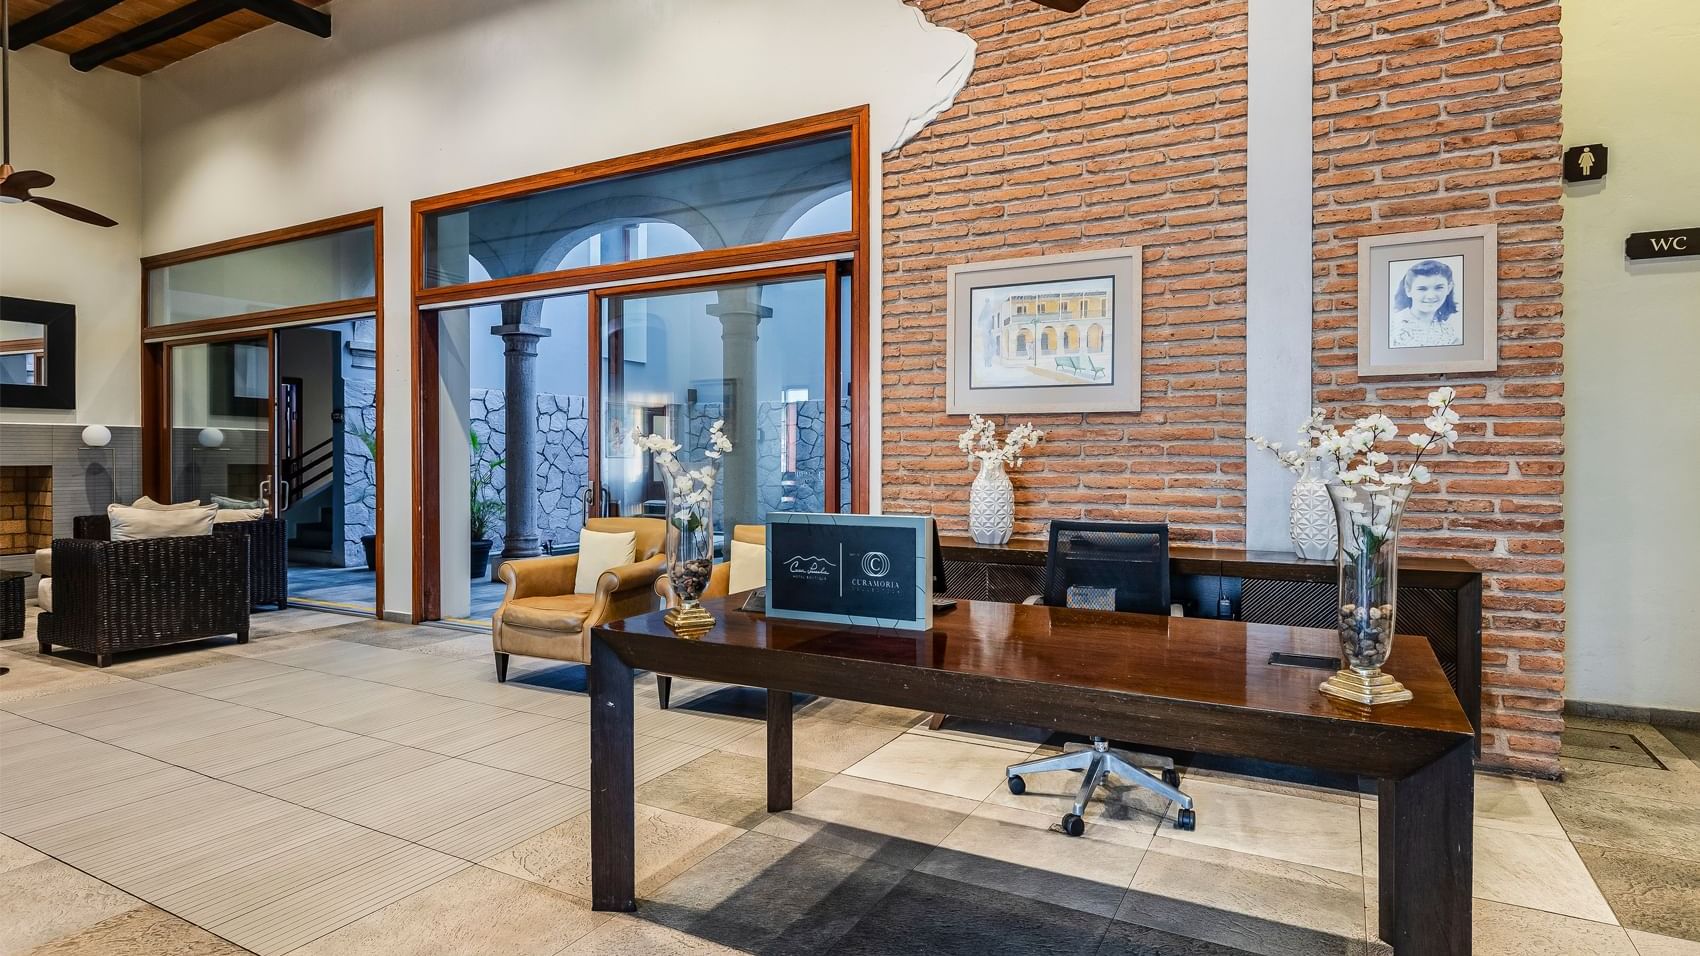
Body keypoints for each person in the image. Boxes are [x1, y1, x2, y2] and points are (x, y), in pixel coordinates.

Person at [1388, 259, 1463, 348]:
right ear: (1408, 290)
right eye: (1422, 289)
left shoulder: (1450, 332)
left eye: (1439, 288)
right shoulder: (1392, 326)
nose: (1430, 296)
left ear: (1449, 288)